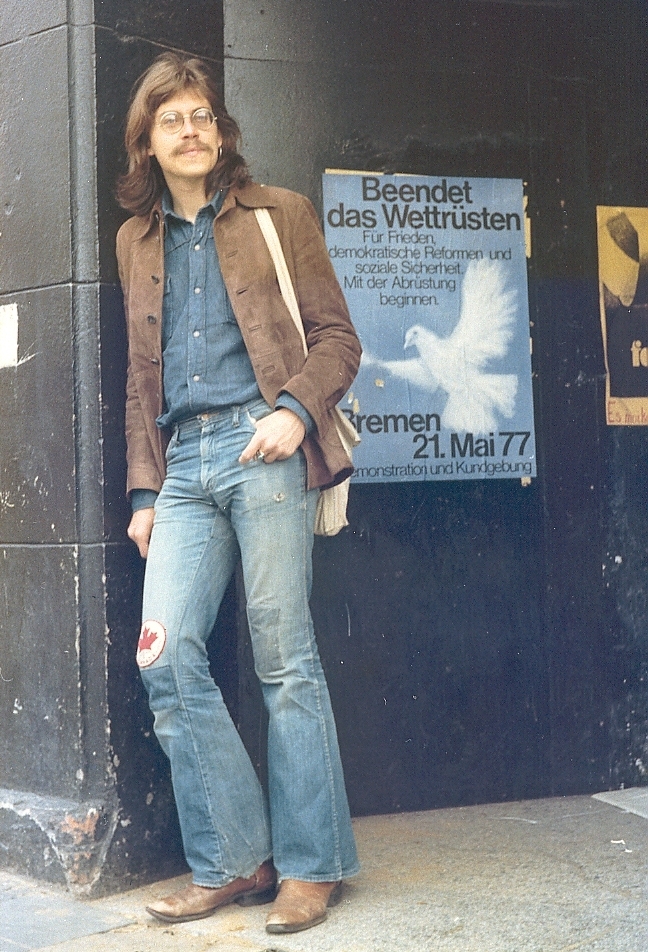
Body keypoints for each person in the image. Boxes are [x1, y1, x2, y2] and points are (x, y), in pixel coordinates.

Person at [115, 51, 361, 934]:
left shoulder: (278, 214)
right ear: (146, 138)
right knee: (164, 653)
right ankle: (233, 859)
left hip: (264, 447)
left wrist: (296, 410)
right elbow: (143, 380)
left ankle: (312, 865)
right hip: (184, 466)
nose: (191, 131)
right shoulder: (135, 241)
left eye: (202, 116)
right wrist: (145, 490)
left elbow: (338, 337)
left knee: (284, 658)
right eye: (171, 118)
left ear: (222, 132)